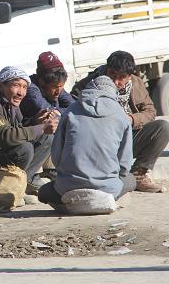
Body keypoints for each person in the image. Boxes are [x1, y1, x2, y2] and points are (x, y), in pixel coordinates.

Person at [72, 51, 169, 193]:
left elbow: (150, 112)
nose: (116, 82)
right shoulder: (88, 85)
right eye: (112, 75)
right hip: (100, 143)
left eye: (122, 77)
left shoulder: (136, 83)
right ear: (106, 69)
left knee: (163, 128)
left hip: (127, 136)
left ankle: (139, 174)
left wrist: (130, 119)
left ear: (129, 76)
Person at [38, 76, 136, 206]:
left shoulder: (71, 111)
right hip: (107, 189)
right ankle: (109, 200)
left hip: (68, 188)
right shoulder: (121, 115)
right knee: (131, 180)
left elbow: (57, 156)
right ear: (113, 92)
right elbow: (124, 164)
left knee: (44, 192)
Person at [21, 51, 75, 125]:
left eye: (61, 86)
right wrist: (60, 112)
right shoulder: (31, 89)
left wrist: (59, 112)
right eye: (55, 87)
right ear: (41, 82)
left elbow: (74, 106)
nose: (58, 91)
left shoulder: (57, 86)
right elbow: (49, 114)